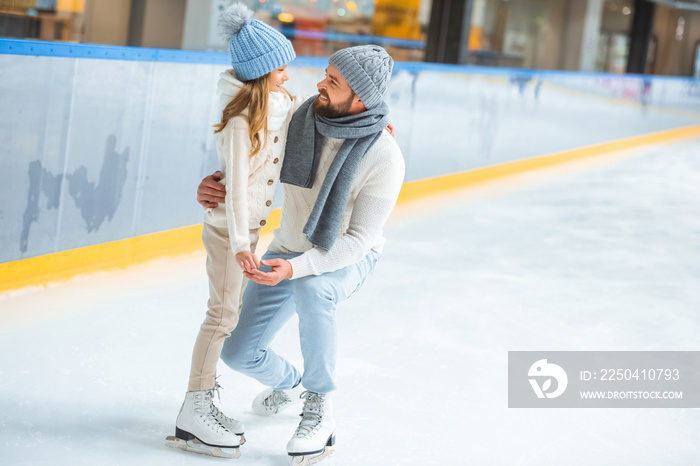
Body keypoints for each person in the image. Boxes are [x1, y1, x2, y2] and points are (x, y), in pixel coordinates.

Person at [197, 44, 405, 464]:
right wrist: (216, 183)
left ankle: (320, 407)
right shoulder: (299, 120)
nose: (319, 84)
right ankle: (291, 383)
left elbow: (359, 240)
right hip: (289, 245)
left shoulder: (383, 155)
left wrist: (296, 269)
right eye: (325, 73)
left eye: (333, 81)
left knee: (313, 289)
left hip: (345, 255)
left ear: (360, 98)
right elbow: (253, 165)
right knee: (238, 352)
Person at [165, 3, 301, 459]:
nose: (288, 73)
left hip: (247, 230)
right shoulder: (243, 118)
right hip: (230, 230)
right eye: (281, 67)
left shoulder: (278, 104)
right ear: (262, 73)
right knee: (222, 316)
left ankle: (199, 405)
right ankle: (195, 408)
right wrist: (243, 243)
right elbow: (238, 185)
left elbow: (304, 114)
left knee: (226, 313)